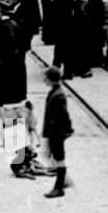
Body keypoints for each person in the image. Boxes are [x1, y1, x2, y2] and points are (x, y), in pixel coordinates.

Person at [40, 66, 73, 198]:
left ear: (50, 79)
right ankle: (63, 180)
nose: (43, 80)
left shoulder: (58, 95)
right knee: (55, 157)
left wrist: (66, 130)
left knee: (58, 158)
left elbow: (63, 115)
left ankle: (59, 187)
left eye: (45, 78)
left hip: (56, 132)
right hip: (54, 131)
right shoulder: (55, 92)